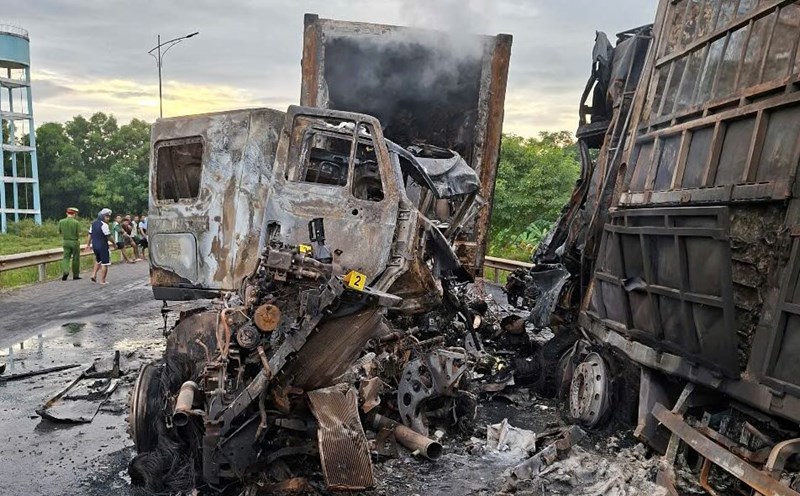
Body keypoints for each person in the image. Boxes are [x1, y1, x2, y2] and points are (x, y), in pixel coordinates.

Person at [87, 208, 114, 284]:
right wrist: (114, 243)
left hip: (95, 246)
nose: (108, 218)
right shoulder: (104, 225)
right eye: (106, 216)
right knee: (105, 263)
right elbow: (109, 236)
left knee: (98, 260)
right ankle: (103, 280)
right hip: (103, 246)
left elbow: (90, 234)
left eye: (109, 217)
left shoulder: (93, 223)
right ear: (102, 216)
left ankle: (93, 274)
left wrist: (88, 244)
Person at [58, 207, 82, 280]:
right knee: (75, 258)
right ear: (74, 214)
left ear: (66, 213)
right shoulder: (76, 222)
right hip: (74, 242)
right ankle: (75, 275)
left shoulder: (61, 221)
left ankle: (65, 271)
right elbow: (79, 233)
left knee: (66, 258)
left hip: (65, 241)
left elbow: (59, 232)